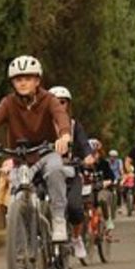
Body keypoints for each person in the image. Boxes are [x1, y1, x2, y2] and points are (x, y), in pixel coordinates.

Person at [0, 56, 74, 242]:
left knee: (55, 170)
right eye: (18, 79)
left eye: (28, 78)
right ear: (13, 82)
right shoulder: (8, 102)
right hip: (21, 157)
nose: (23, 83)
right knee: (16, 190)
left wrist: (65, 135)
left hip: (46, 152)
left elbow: (60, 116)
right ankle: (20, 242)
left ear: (37, 80)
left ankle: (58, 219)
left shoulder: (49, 99)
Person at [49, 86, 92, 259]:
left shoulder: (74, 126)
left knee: (75, 207)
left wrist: (88, 157)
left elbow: (84, 145)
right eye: (54, 102)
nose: (59, 105)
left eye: (63, 102)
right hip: (47, 174)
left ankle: (76, 238)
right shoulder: (40, 125)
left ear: (68, 105)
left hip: (70, 172)